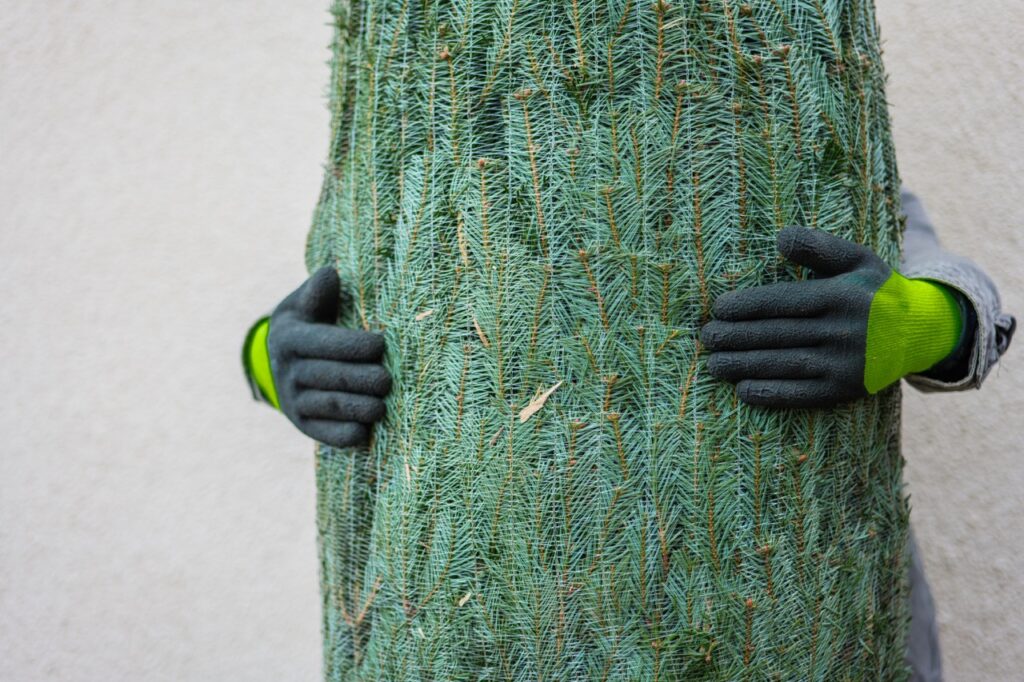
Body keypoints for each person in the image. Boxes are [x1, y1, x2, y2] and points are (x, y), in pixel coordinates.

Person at [241, 188, 1015, 681]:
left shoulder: (787, 143)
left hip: (773, 621)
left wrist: (929, 320)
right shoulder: (449, 163)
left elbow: (973, 301)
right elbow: (341, 294)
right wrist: (268, 359)